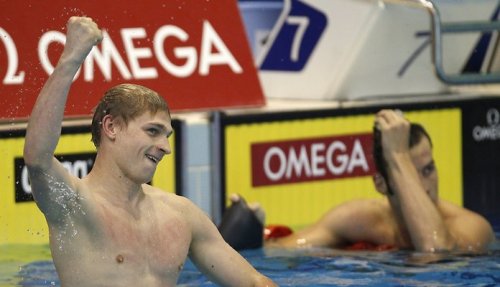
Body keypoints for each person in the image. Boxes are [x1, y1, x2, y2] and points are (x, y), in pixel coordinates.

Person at [23, 16, 276, 287]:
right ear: (111, 127)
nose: (166, 147)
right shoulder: (73, 205)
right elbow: (38, 158)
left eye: (167, 136)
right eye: (152, 131)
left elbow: (253, 282)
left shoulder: (181, 215)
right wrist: (71, 58)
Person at [225, 110, 495, 253]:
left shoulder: (472, 227)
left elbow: (437, 251)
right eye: (409, 176)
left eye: (428, 170)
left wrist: (397, 154)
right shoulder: (360, 218)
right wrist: (246, 238)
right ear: (380, 184)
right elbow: (283, 253)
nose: (424, 186)